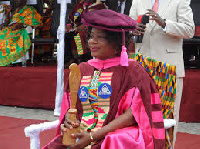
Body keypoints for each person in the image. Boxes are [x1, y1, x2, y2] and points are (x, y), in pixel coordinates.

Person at [44, 9, 165, 149]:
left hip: (113, 134)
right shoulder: (82, 69)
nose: (92, 42)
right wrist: (69, 121)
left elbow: (133, 114)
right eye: (91, 36)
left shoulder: (132, 70)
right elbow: (72, 107)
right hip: (82, 132)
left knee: (114, 141)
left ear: (116, 43)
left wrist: (93, 137)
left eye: (100, 37)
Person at [129, 0, 195, 147]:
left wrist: (164, 23)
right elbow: (129, 26)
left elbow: (190, 30)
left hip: (169, 67)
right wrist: (133, 30)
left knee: (168, 114)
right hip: (142, 65)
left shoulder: (180, 0)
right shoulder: (137, 0)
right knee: (140, 111)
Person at [64, 0, 107, 68]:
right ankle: (69, 59)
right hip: (76, 29)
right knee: (65, 36)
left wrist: (85, 26)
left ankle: (83, 59)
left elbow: (99, 20)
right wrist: (69, 25)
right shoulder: (79, 5)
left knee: (80, 35)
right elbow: (71, 18)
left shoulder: (99, 6)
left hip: (91, 30)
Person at [0, 0, 42, 66]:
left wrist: (19, 25)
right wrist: (8, 13)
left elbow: (35, 22)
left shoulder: (29, 10)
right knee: (2, 34)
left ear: (24, 1)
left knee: (7, 37)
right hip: (11, 29)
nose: (16, 1)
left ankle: (12, 60)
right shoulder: (15, 10)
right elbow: (7, 23)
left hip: (23, 30)